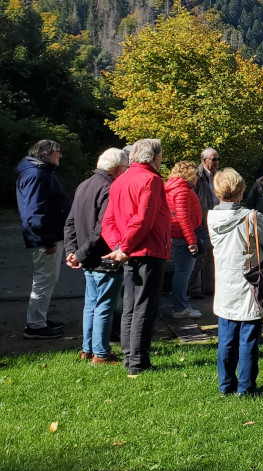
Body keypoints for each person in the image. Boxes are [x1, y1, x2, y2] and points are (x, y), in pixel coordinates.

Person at [101, 138, 171, 377]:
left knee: (130, 305)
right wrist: (124, 247)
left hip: (130, 251)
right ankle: (138, 361)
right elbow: (144, 219)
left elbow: (108, 221)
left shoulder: (120, 180)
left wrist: (119, 246)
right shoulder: (150, 180)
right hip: (147, 251)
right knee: (143, 307)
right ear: (156, 158)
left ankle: (130, 357)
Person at [208, 168, 263, 395]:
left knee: (226, 339)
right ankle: (247, 388)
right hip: (250, 283)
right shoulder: (251, 217)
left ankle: (225, 385)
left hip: (225, 284)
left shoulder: (212, 217)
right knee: (248, 339)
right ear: (240, 190)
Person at [64, 148, 128, 363]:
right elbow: (103, 228)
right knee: (104, 305)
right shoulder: (109, 188)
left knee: (91, 303)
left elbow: (70, 222)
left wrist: (72, 251)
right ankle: (101, 352)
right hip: (103, 257)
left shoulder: (84, 185)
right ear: (118, 169)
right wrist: (79, 253)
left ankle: (87, 349)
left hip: (88, 257)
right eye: (125, 168)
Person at [15, 139, 71, 339]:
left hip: (49, 234)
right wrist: (47, 240)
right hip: (46, 237)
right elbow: (33, 211)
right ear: (46, 153)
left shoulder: (38, 172)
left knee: (47, 278)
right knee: (44, 278)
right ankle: (35, 325)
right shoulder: (36, 174)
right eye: (58, 152)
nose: (60, 155)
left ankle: (39, 319)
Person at [165, 161, 203, 319]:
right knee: (183, 272)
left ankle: (182, 305)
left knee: (181, 271)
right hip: (182, 236)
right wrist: (191, 240)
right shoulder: (183, 190)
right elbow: (183, 218)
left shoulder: (172, 187)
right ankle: (180, 308)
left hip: (176, 235)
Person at [189, 147, 219, 298]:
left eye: (217, 159)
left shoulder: (216, 175)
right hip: (201, 220)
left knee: (211, 255)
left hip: (214, 219)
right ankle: (195, 289)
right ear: (204, 160)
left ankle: (209, 287)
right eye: (214, 159)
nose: (217, 162)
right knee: (200, 255)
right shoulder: (198, 176)